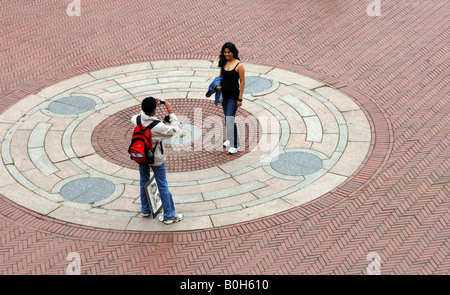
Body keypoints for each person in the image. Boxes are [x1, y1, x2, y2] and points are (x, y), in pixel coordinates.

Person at [131, 96, 184, 224]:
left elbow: (139, 115)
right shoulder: (158, 126)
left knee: (144, 180)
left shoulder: (136, 119)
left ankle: (145, 209)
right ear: (154, 109)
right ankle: (169, 215)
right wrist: (170, 110)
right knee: (162, 184)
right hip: (156, 158)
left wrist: (150, 108)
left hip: (141, 155)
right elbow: (175, 129)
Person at [216, 42, 246, 154]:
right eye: (225, 52)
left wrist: (240, 99)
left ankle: (236, 144)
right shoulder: (223, 63)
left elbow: (242, 83)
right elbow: (220, 77)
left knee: (229, 118)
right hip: (224, 96)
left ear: (233, 52)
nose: (226, 54)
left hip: (233, 97)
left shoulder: (239, 65)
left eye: (228, 52)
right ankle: (229, 139)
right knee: (227, 118)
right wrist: (218, 85)